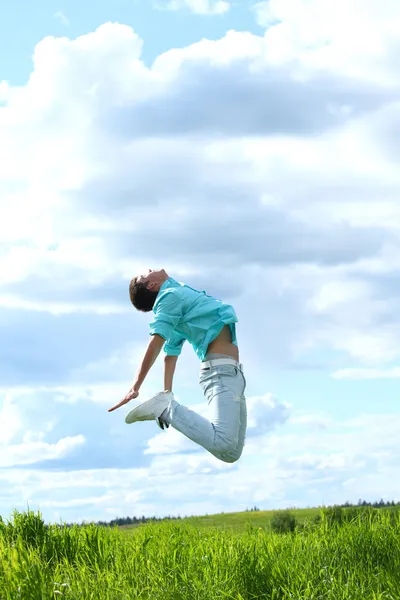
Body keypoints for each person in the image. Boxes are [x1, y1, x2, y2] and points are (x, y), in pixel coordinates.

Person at [108, 269, 247, 463]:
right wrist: (135, 386)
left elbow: (170, 355)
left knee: (231, 453)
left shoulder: (178, 296)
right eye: (145, 275)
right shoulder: (170, 297)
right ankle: (166, 409)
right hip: (220, 372)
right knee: (223, 443)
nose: (148, 270)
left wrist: (167, 393)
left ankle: (164, 404)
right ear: (152, 285)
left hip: (233, 374)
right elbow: (156, 343)